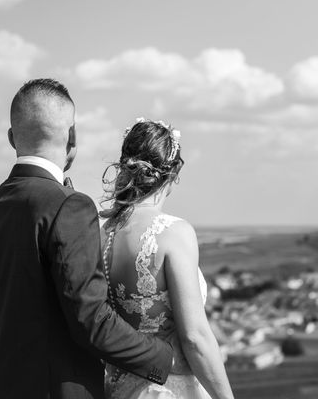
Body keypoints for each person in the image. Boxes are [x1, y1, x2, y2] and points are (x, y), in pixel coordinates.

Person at [0, 79, 174, 399]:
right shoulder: (69, 205)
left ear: (11, 138)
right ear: (72, 136)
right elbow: (91, 320)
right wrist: (162, 357)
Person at [100, 118, 234, 399]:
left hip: (116, 389)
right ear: (171, 175)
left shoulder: (101, 234)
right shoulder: (174, 233)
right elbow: (195, 338)